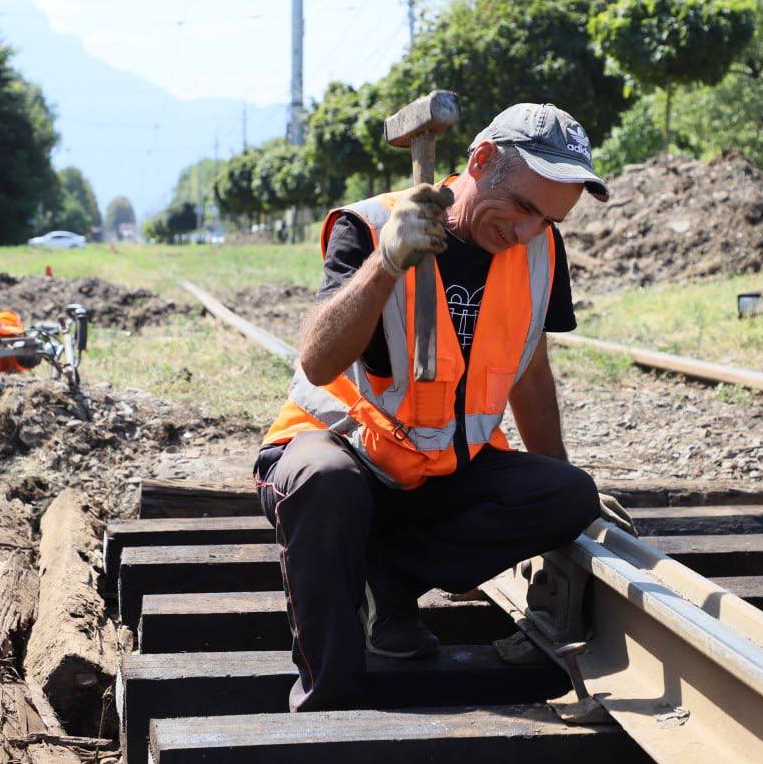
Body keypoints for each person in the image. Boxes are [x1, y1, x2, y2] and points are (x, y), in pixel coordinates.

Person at [255, 102, 633, 712]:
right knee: (325, 481)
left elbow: (530, 370)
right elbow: (318, 362)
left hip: (438, 473)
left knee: (568, 494)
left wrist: (570, 512)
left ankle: (386, 578)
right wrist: (386, 262)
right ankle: (330, 698)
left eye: (548, 219)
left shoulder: (540, 250)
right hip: (343, 455)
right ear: (480, 160)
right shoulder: (371, 224)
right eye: (523, 207)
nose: (528, 231)